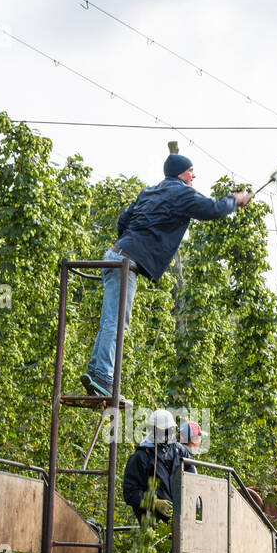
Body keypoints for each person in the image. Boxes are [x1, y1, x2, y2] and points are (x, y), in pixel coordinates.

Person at [82, 153, 253, 398]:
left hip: (114, 254)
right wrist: (234, 201)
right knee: (118, 322)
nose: (194, 175)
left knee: (110, 319)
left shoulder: (148, 192)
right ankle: (103, 376)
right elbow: (212, 209)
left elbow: (124, 220)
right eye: (192, 170)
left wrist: (128, 243)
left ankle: (96, 372)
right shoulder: (182, 193)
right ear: (181, 173)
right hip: (125, 261)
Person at [123, 409, 194, 523]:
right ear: (154, 430)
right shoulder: (141, 457)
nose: (169, 433)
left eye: (171, 429)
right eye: (165, 430)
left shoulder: (180, 451)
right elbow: (130, 493)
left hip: (181, 520)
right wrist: (154, 503)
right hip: (152, 524)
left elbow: (194, 481)